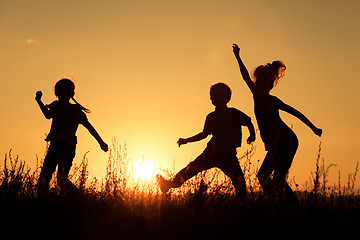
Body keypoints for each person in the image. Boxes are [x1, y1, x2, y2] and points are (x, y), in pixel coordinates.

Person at [232, 44, 322, 203]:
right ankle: (280, 203)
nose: (260, 85)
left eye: (265, 83)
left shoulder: (273, 101)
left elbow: (296, 113)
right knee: (266, 177)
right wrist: (238, 56)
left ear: (270, 85)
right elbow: (245, 76)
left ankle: (288, 206)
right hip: (277, 143)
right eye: (258, 82)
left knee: (272, 177)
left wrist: (313, 128)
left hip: (287, 141)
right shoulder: (256, 96)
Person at [157, 82, 256, 197]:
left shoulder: (234, 113)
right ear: (211, 98)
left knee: (240, 183)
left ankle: (241, 205)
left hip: (228, 156)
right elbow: (204, 134)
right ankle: (168, 184)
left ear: (228, 98)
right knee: (191, 169)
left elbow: (249, 122)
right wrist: (186, 140)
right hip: (211, 153)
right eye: (214, 95)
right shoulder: (211, 117)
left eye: (221, 95)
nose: (217, 97)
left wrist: (252, 135)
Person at [35, 78, 108, 195]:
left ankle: (80, 198)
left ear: (71, 93)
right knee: (45, 178)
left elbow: (89, 127)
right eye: (62, 90)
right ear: (57, 93)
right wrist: (38, 101)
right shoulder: (56, 106)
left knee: (60, 179)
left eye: (66, 90)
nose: (63, 93)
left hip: (66, 147)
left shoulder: (75, 110)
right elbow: (48, 115)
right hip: (56, 145)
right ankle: (44, 203)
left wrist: (101, 142)